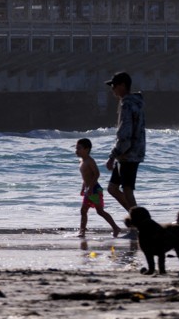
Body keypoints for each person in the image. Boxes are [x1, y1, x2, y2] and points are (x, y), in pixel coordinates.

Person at [105, 71, 145, 218]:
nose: (112, 89)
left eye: (114, 85)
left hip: (128, 154)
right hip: (131, 152)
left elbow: (125, 133)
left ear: (123, 86)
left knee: (127, 190)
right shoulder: (135, 102)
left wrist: (112, 156)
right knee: (112, 188)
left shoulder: (127, 104)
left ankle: (140, 223)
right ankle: (136, 218)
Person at [75, 138, 120, 238]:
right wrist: (83, 188)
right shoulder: (81, 161)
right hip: (89, 190)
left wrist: (90, 187)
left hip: (94, 190)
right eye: (76, 148)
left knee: (100, 211)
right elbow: (85, 177)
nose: (76, 151)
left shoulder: (90, 161)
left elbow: (96, 174)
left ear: (87, 149)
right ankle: (82, 231)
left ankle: (116, 227)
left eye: (79, 148)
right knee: (83, 210)